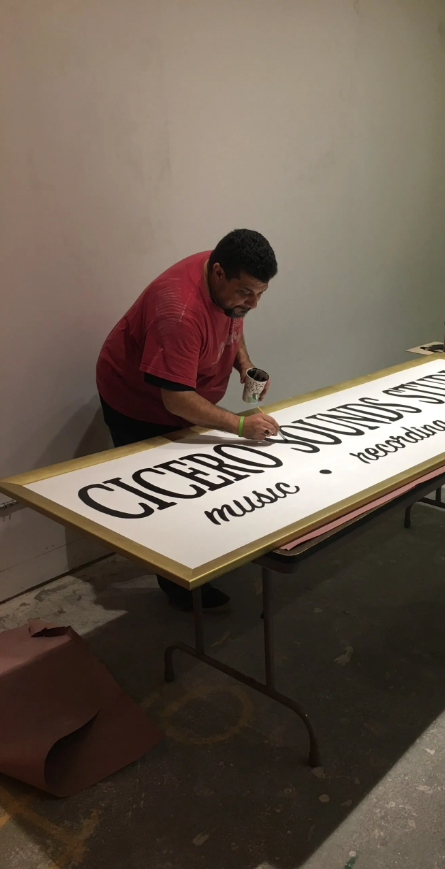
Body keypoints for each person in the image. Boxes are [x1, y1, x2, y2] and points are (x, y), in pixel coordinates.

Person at [96, 228, 280, 611]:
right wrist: (241, 425)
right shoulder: (179, 311)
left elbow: (234, 322)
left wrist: (243, 365)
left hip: (183, 395)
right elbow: (176, 400)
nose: (254, 303)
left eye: (261, 293)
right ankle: (181, 588)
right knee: (166, 498)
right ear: (217, 273)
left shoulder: (224, 278)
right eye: (247, 292)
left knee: (197, 483)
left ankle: (200, 561)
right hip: (139, 403)